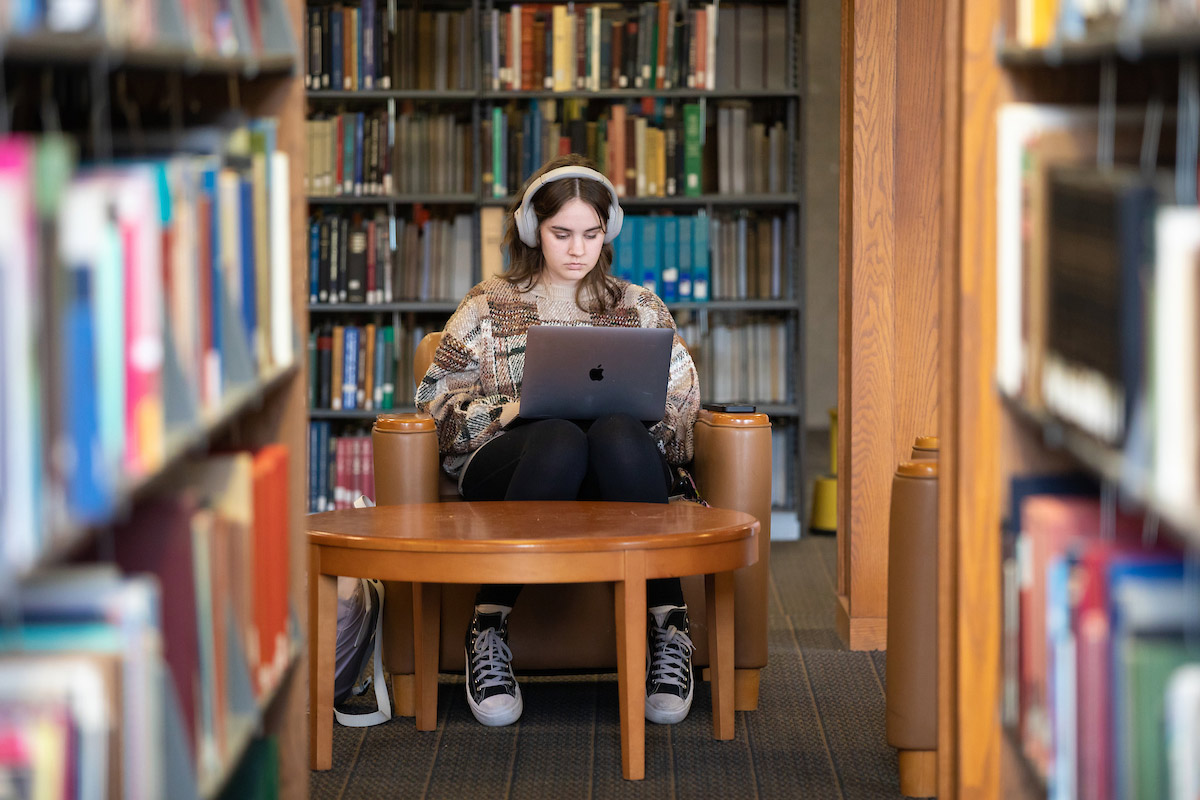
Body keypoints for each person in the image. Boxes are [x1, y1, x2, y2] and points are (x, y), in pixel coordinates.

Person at [415, 153, 702, 728]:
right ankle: (488, 625)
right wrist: (512, 408)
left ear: (607, 233)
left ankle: (669, 627)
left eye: (591, 235)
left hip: (616, 466)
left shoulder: (639, 307)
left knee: (616, 432)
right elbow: (436, 413)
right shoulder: (487, 306)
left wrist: (639, 416)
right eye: (561, 233)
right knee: (559, 438)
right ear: (531, 231)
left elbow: (683, 414)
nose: (577, 249)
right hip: (514, 464)